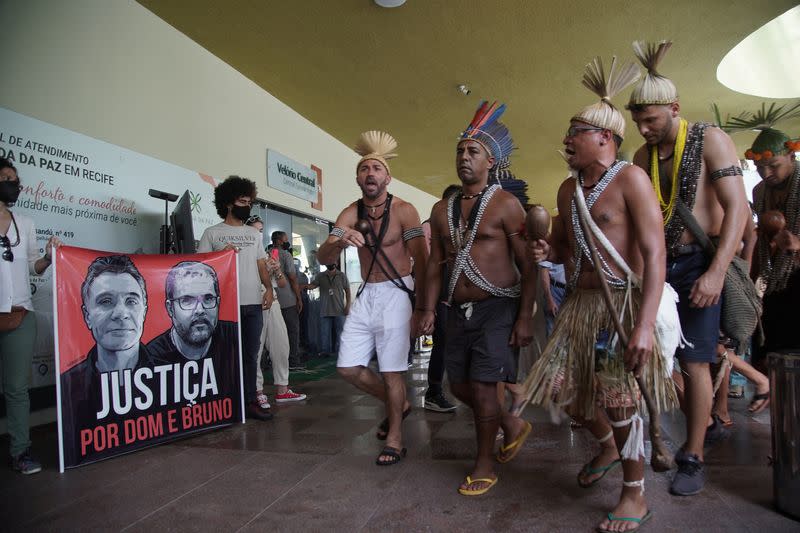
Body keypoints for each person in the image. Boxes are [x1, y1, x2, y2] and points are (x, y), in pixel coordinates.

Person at [525, 57, 677, 531]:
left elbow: (655, 257)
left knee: (619, 400)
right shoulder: (568, 191)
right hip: (581, 306)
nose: (567, 140)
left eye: (577, 132)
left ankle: (634, 493)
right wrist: (549, 249)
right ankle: (608, 446)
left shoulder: (631, 179)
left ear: (605, 139)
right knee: (562, 394)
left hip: (623, 306)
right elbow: (568, 248)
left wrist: (645, 326)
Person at [626, 40, 748, 496]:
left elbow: (736, 208)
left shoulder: (710, 139)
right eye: (638, 121)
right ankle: (674, 433)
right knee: (657, 356)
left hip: (700, 263)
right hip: (659, 268)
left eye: (652, 120)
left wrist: (716, 271)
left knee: (696, 361)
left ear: (675, 109)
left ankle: (693, 455)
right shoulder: (640, 159)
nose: (643, 128)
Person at [419, 101, 535, 496]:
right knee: (459, 388)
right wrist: (427, 310)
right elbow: (435, 263)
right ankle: (510, 424)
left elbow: (528, 266)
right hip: (455, 311)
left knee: (485, 387)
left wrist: (524, 318)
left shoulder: (506, 204)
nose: (464, 158)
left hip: (497, 307)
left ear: (490, 162)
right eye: (460, 151)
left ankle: (484, 461)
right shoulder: (440, 209)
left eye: (473, 152)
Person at [317, 130, 427, 467]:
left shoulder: (405, 211)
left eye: (376, 169)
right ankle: (399, 405)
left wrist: (422, 308)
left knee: (393, 372)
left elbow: (422, 261)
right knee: (348, 367)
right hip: (367, 294)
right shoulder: (350, 212)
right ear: (358, 177)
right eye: (365, 169)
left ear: (387, 177)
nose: (370, 174)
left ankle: (395, 437)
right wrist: (339, 240)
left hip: (397, 293)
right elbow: (324, 256)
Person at [197, 176, 279, 421]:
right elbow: (200, 265)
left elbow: (261, 264)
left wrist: (268, 289)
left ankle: (249, 401)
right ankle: (225, 402)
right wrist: (218, 255)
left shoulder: (253, 235)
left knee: (251, 355)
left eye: (249, 201)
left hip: (252, 303)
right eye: (243, 201)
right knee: (224, 355)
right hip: (224, 305)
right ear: (230, 203)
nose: (247, 205)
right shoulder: (212, 233)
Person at [60, 254, 153, 466]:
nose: (121, 313)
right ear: (87, 315)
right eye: (105, 301)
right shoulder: (69, 385)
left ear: (144, 311)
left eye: (131, 301)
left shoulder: (171, 373)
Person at [0, 157, 60, 474]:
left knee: (17, 389)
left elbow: (32, 265)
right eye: (6, 177)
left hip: (20, 314)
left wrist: (48, 259)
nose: (13, 183)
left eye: (15, 179)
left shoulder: (25, 223)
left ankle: (20, 451)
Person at [743, 107, 800, 368]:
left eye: (773, 166)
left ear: (792, 155)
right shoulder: (759, 192)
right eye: (759, 167)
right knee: (771, 351)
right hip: (776, 279)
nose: (766, 174)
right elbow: (763, 240)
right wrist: (751, 280)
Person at [147, 261, 239, 389]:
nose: (200, 310)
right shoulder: (151, 358)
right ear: (170, 308)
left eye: (208, 298)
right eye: (187, 300)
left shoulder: (235, 338)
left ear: (218, 302)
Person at [419, 184, 461, 413]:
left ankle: (451, 386)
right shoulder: (429, 228)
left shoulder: (453, 229)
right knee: (442, 343)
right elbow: (429, 267)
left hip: (451, 295)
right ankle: (433, 391)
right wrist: (428, 306)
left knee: (451, 342)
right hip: (438, 296)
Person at [271, 230, 304, 370]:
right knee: (292, 330)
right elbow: (292, 277)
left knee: (273, 333)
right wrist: (298, 297)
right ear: (278, 241)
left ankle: (272, 362)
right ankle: (293, 361)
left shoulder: (266, 254)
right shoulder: (285, 255)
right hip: (287, 298)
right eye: (285, 239)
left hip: (271, 297)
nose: (287, 241)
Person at [306, 262, 351, 357]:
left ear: (336, 264)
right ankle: (325, 352)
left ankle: (340, 352)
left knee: (341, 332)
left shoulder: (342, 275)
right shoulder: (320, 276)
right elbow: (313, 286)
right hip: (325, 309)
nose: (331, 264)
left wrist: (348, 305)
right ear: (325, 264)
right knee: (324, 333)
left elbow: (347, 291)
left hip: (339, 309)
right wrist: (303, 286)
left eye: (333, 262)